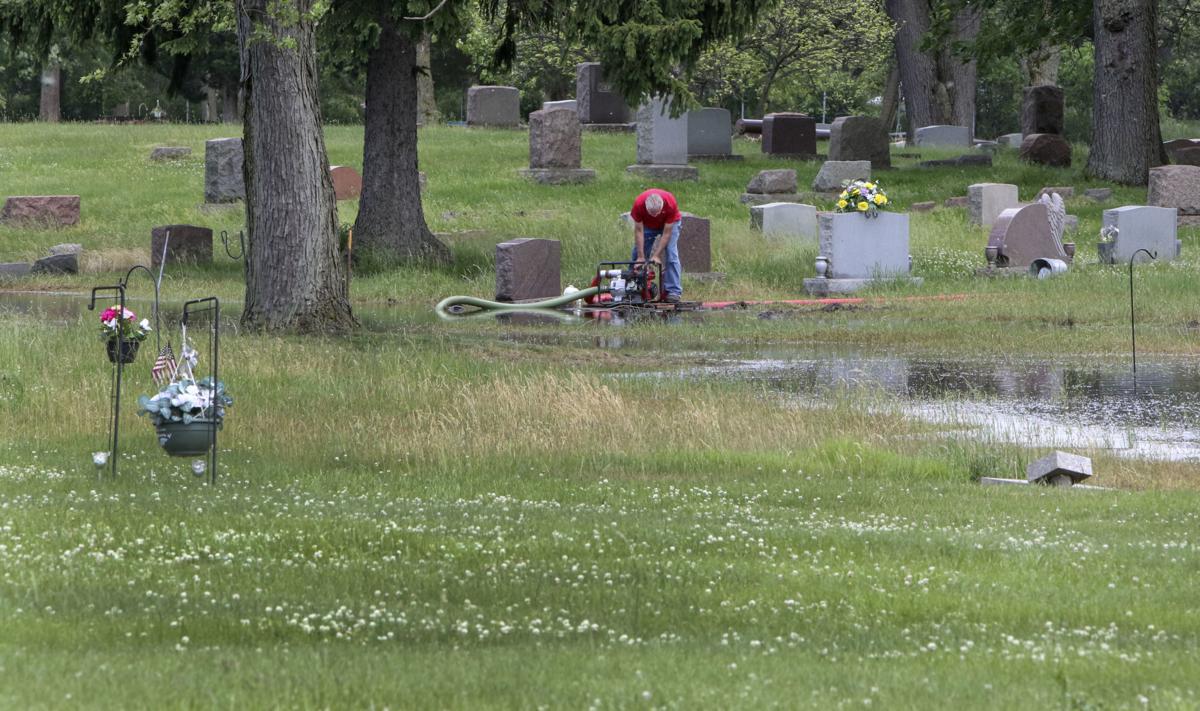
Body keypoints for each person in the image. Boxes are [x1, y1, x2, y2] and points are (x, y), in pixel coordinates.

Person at [629, 188, 683, 303]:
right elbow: (639, 231)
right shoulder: (638, 204)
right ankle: (633, 289)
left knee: (671, 253)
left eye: (657, 213)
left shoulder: (670, 203)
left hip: (668, 224)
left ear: (662, 207)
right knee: (636, 255)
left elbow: (667, 233)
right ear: (646, 207)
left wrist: (657, 255)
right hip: (647, 226)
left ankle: (673, 291)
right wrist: (641, 256)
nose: (654, 216)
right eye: (651, 213)